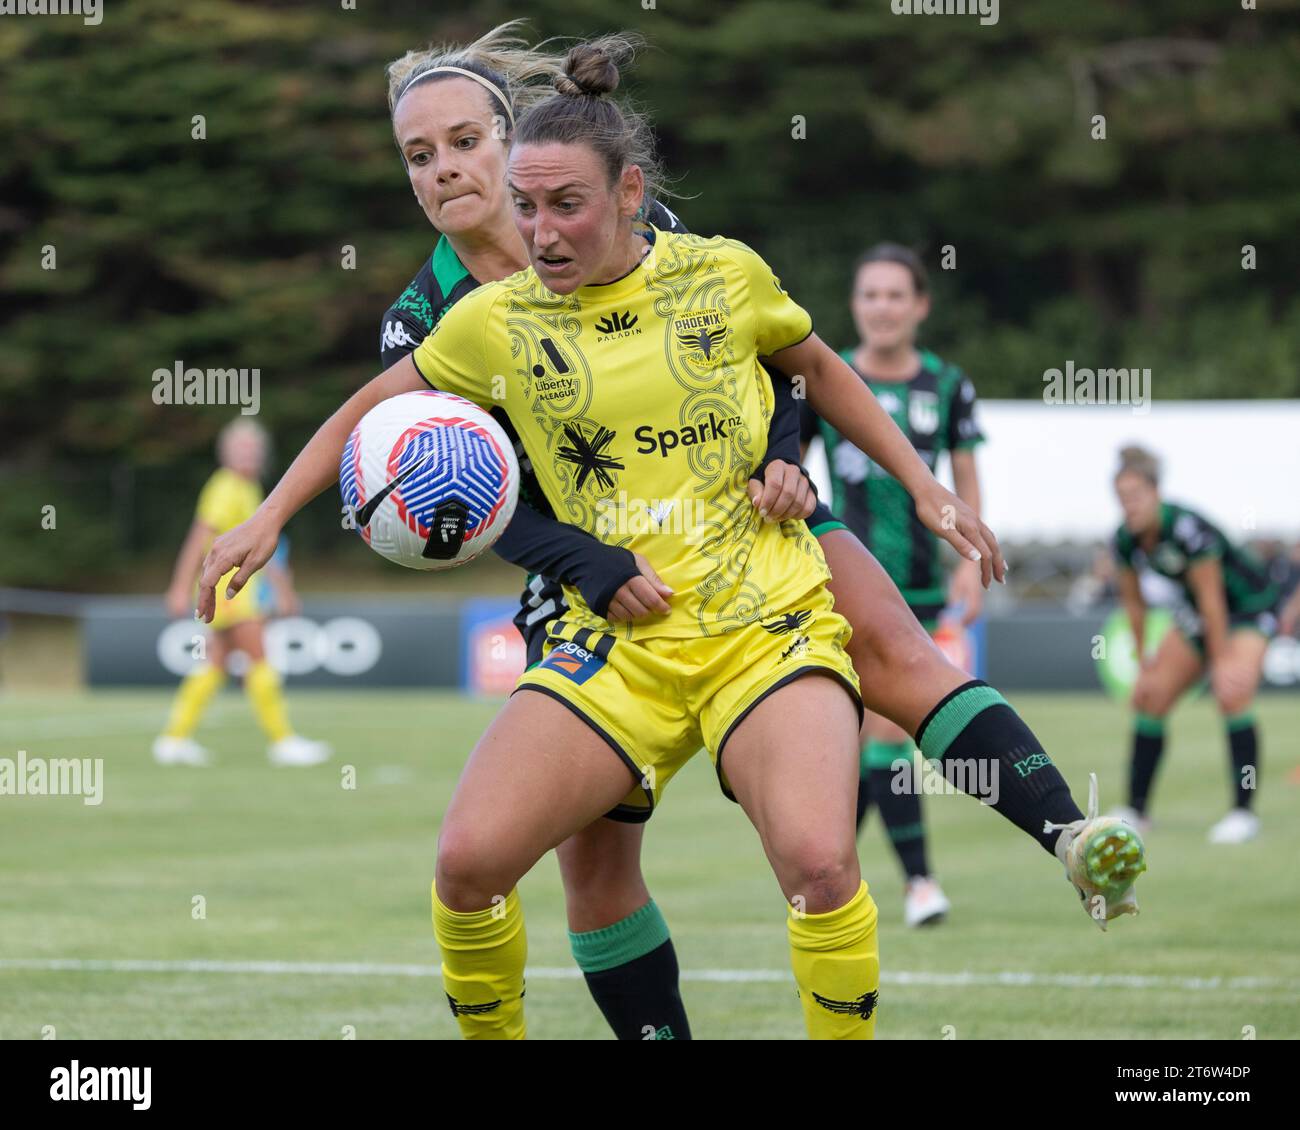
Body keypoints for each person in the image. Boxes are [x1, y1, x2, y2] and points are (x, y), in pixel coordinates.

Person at [199, 34, 1145, 1040]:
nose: (444, 171)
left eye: (463, 142)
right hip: (590, 575)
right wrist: (579, 563)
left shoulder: (637, 218)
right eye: (418, 156)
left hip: (745, 517)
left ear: (534, 148)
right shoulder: (438, 318)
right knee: (590, 865)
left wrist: (787, 455)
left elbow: (773, 349)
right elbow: (460, 490)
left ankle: (1068, 830)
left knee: (894, 657)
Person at [801, 243, 982, 927]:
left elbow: (964, 478)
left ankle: (827, 875)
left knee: (875, 738)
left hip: (925, 588)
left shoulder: (948, 386)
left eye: (895, 295)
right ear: (855, 306)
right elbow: (792, 467)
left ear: (920, 306)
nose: (881, 307)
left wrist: (968, 558)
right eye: (870, 295)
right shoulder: (826, 377)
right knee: (880, 733)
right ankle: (919, 885)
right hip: (848, 586)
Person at [1111, 445, 1279, 842]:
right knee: (1151, 696)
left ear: (1156, 494)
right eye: (1122, 499)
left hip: (1249, 608)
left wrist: (1221, 661)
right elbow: (1134, 605)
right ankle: (1137, 809)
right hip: (1202, 616)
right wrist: (1144, 663)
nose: (1129, 507)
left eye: (1135, 497)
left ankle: (1243, 813)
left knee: (1231, 691)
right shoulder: (1125, 540)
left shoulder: (1187, 528)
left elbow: (1212, 598)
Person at [154, 419, 329, 767]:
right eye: (241, 449)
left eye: (253, 449)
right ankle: (283, 742)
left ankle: (173, 740)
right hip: (228, 589)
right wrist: (177, 586)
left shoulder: (249, 489)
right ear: (225, 454)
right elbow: (199, 538)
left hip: (236, 589)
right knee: (260, 659)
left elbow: (261, 545)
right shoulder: (226, 487)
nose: (248, 455)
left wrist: (283, 588)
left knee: (215, 664)